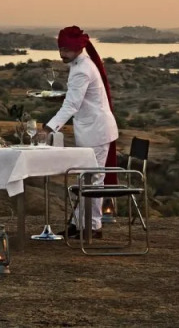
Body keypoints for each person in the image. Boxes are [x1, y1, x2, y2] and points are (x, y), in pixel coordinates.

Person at [42, 25, 118, 239]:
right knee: (86, 178)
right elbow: (78, 99)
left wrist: (49, 127)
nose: (62, 54)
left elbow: (72, 105)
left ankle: (92, 227)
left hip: (96, 131)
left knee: (93, 179)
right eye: (60, 49)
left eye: (66, 49)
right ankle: (79, 223)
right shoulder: (81, 64)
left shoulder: (82, 69)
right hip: (92, 129)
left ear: (77, 48)